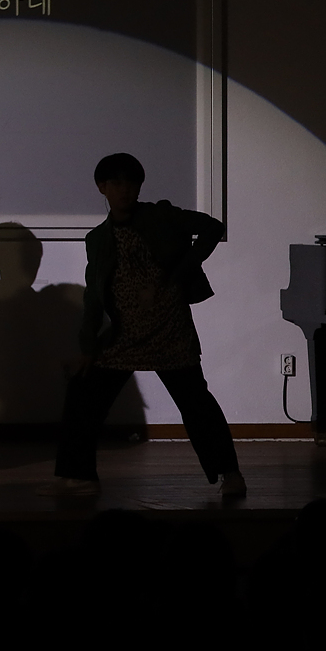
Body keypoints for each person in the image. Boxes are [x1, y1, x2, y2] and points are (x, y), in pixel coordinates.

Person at [42, 153, 244, 498]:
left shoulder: (160, 216)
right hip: (124, 334)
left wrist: (179, 274)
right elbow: (94, 294)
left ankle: (230, 472)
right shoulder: (99, 238)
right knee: (84, 393)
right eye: (117, 183)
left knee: (195, 402)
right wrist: (88, 345)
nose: (125, 190)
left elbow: (212, 227)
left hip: (169, 328)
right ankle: (79, 477)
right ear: (102, 187)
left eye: (132, 183)